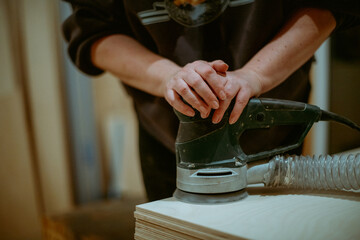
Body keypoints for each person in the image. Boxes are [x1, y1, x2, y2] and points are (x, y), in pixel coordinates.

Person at [62, 0, 360, 201]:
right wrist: (169, 77)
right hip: (166, 140)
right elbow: (93, 31)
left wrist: (254, 76)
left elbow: (331, 6)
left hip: (275, 134)